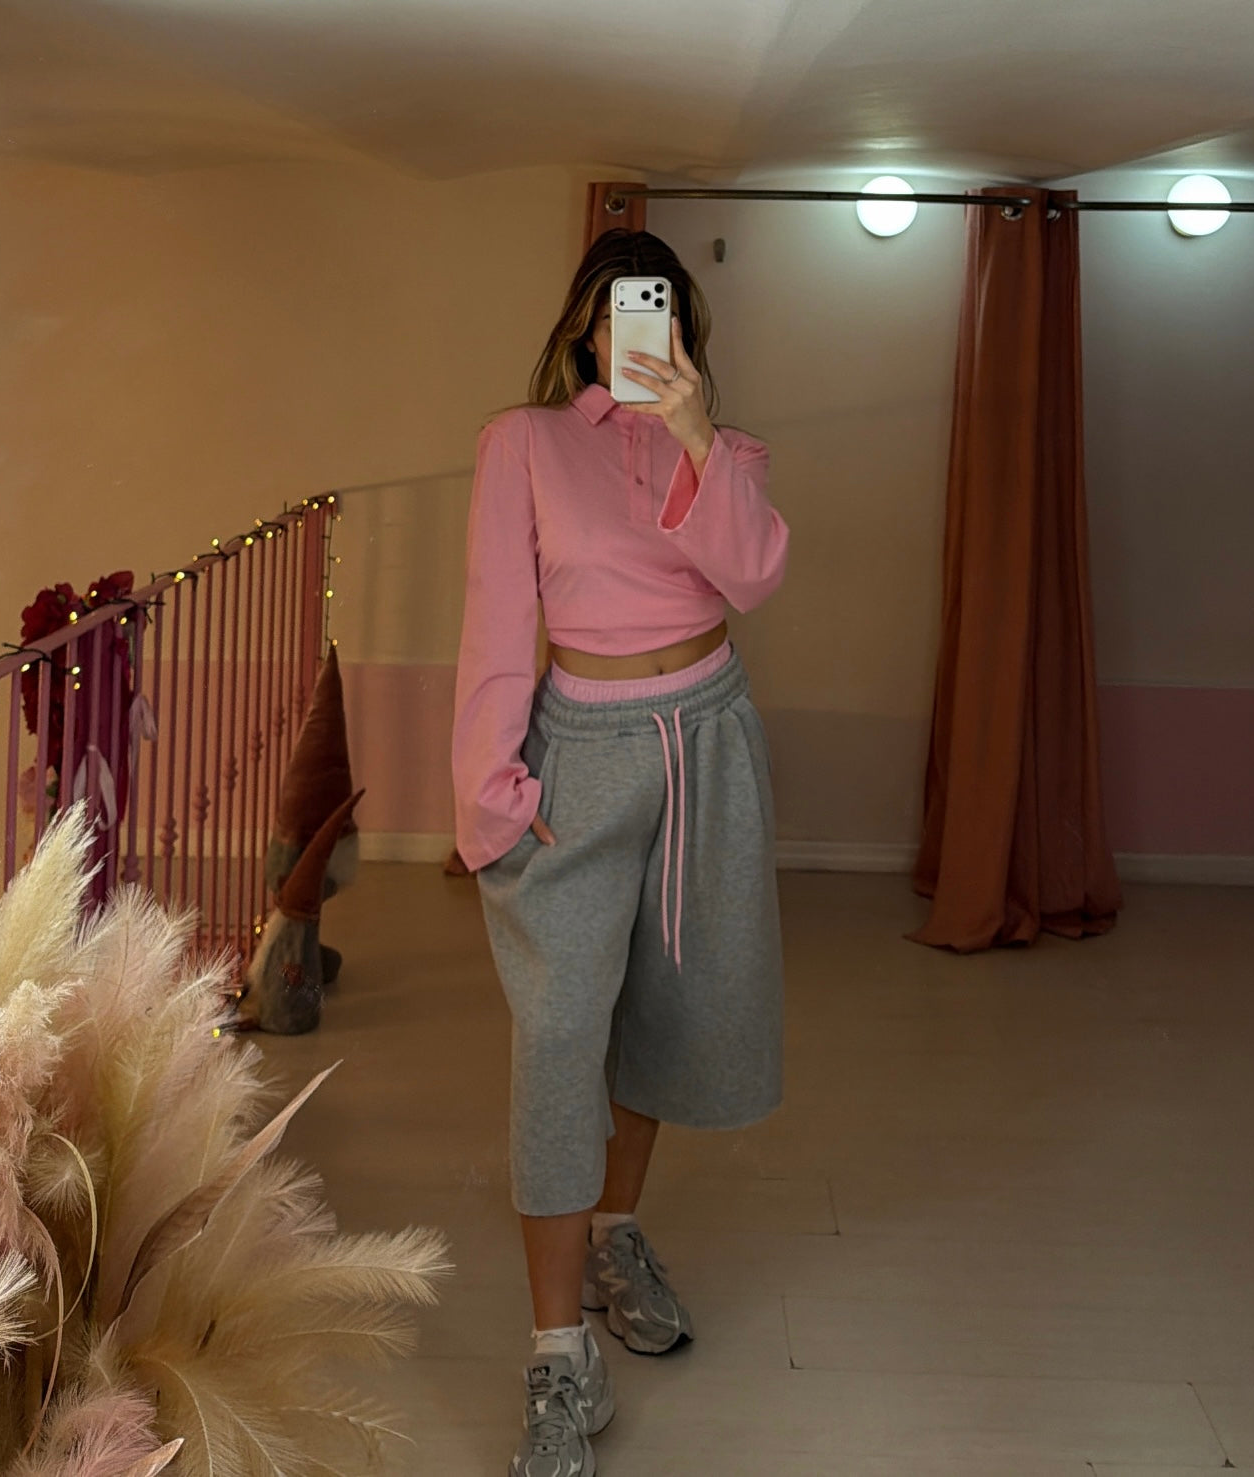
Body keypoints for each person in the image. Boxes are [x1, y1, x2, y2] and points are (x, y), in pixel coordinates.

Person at [452, 228, 789, 1477]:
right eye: (614, 311)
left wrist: (697, 437)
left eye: (658, 310)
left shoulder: (728, 453)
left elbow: (751, 575)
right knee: (558, 1036)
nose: (634, 330)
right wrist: (493, 785)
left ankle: (617, 1231)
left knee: (663, 1006)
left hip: (710, 736)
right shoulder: (525, 442)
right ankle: (558, 1354)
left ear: (683, 329)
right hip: (582, 748)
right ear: (586, 330)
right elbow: (498, 613)